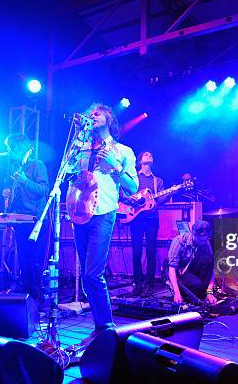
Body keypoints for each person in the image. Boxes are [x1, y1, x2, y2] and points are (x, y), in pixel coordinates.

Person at [67, 103, 138, 339]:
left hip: (104, 213)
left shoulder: (122, 150)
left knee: (92, 274)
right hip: (80, 214)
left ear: (110, 118)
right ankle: (101, 325)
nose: (93, 115)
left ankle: (105, 328)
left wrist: (115, 167)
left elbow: (133, 187)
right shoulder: (81, 149)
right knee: (88, 274)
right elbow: (68, 174)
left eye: (98, 112)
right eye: (90, 113)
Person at [2, 133, 49, 302]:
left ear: (18, 147)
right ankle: (26, 295)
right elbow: (18, 192)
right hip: (19, 219)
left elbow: (43, 190)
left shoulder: (37, 165)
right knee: (23, 257)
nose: (8, 151)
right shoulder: (15, 167)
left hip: (36, 219)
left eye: (10, 148)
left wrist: (23, 181)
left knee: (35, 259)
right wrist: (8, 192)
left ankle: (38, 297)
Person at [129, 151, 170, 296]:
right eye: (146, 154)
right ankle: (138, 284)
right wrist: (133, 200)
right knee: (136, 252)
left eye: (151, 155)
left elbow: (160, 200)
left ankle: (149, 285)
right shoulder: (134, 178)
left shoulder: (157, 181)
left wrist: (171, 192)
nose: (150, 155)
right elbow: (126, 195)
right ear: (140, 161)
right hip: (135, 219)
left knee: (151, 251)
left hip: (152, 218)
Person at [167, 220, 217, 305]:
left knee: (208, 261)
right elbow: (172, 269)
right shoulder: (179, 241)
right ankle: (181, 288)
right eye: (200, 240)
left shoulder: (205, 242)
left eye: (205, 240)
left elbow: (212, 269)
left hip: (192, 269)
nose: (203, 243)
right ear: (193, 234)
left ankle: (198, 289)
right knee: (197, 285)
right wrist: (177, 293)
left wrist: (209, 292)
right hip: (180, 272)